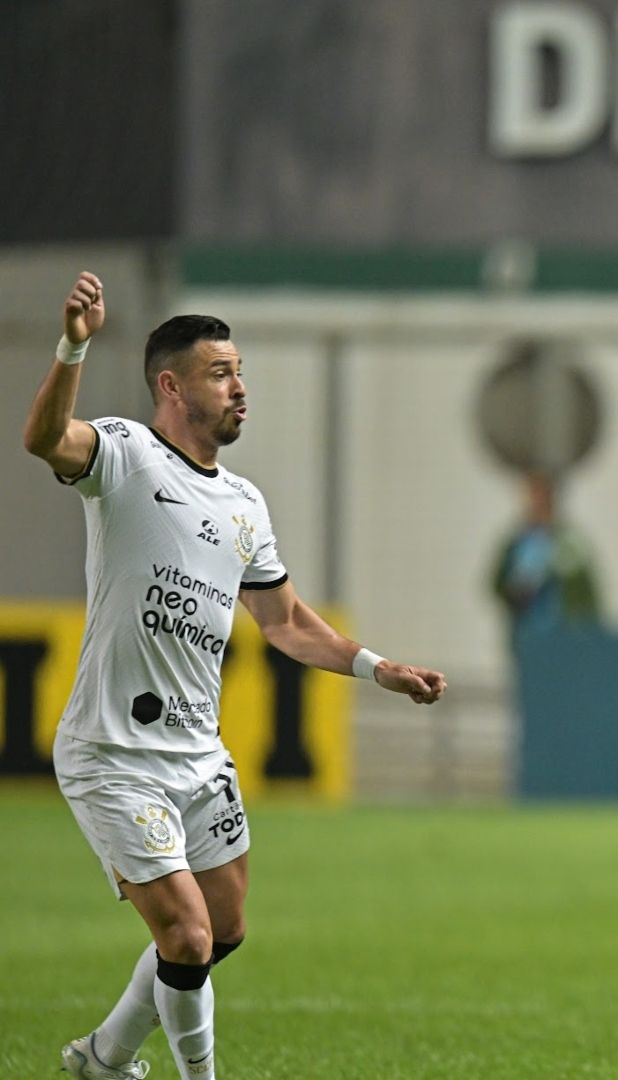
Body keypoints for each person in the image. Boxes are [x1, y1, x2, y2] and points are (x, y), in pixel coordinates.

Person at [23, 272, 450, 1080]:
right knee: (183, 936)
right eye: (222, 373)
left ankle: (104, 1059)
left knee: (222, 929)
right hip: (114, 754)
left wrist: (376, 666)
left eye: (241, 371)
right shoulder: (125, 454)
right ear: (170, 384)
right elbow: (46, 439)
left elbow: (284, 622)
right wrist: (74, 345)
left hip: (197, 755)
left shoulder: (245, 503)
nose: (240, 387)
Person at [490, 470, 602, 635]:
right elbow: (497, 584)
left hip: (563, 634)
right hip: (526, 632)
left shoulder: (568, 542)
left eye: (542, 496)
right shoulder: (517, 544)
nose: (536, 503)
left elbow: (585, 594)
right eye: (532, 496)